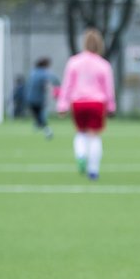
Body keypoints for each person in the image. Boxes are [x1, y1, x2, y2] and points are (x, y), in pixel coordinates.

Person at [56, 28, 115, 180]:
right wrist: (111, 107)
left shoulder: (74, 62)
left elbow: (67, 85)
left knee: (80, 133)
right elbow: (108, 88)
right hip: (97, 103)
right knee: (94, 136)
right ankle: (93, 170)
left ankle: (81, 154)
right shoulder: (104, 65)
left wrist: (62, 105)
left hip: (78, 103)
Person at [25, 58, 58, 139]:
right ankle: (47, 130)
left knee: (38, 115)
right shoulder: (43, 73)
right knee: (41, 116)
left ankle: (38, 125)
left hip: (30, 98)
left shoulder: (33, 72)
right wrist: (57, 88)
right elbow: (53, 79)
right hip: (39, 99)